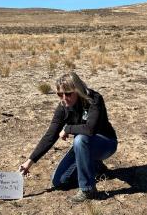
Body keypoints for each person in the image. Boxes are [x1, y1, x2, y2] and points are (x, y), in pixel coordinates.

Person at [19, 72, 118, 203]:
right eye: (60, 94)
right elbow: (50, 135)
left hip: (106, 143)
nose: (64, 98)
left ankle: (88, 190)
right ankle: (94, 166)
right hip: (83, 147)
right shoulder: (63, 108)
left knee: (80, 139)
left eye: (68, 93)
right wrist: (29, 162)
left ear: (77, 90)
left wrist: (67, 128)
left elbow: (90, 129)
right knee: (59, 181)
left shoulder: (94, 99)